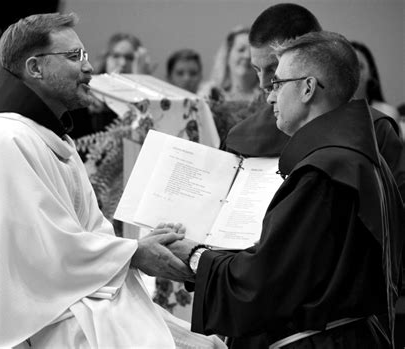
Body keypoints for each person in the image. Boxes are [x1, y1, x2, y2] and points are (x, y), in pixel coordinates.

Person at [0, 12, 225, 348]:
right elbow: (37, 260)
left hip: (64, 300)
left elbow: (86, 233)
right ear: (35, 68)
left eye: (84, 55)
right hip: (25, 320)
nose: (88, 67)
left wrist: (133, 250)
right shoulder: (3, 142)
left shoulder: (50, 138)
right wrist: (132, 253)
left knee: (207, 342)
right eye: (74, 57)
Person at [166, 31, 405, 348]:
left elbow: (264, 283)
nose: (269, 96)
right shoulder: (359, 159)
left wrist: (195, 257)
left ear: (307, 88)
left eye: (277, 83)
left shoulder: (323, 172)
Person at [223, 3, 405, 200]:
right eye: (257, 69)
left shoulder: (374, 130)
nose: (263, 83)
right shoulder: (240, 138)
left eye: (274, 68)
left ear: (316, 56)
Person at [351, 40, 401, 124]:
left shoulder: (386, 113)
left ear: (371, 73)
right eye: (347, 66)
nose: (354, 72)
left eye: (360, 66)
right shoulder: (329, 113)